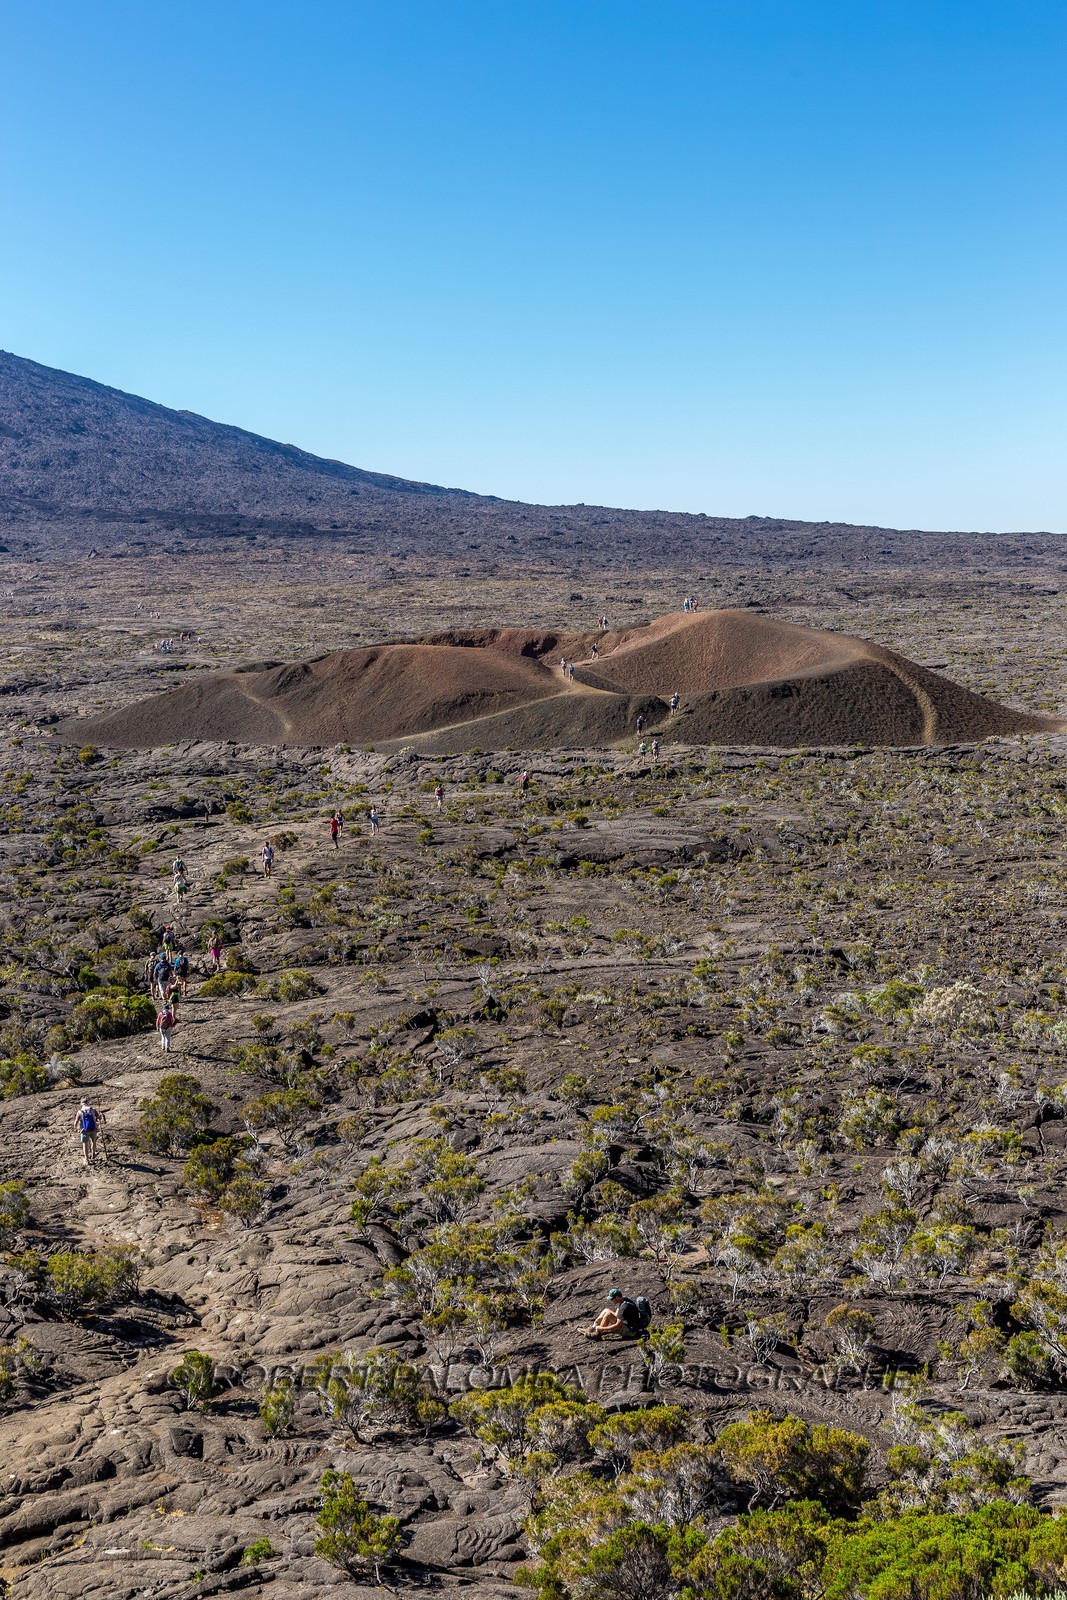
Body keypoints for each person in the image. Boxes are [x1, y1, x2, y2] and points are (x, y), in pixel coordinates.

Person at [582, 1287, 648, 1339]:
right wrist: (599, 1320)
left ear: (617, 1297)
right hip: (629, 1324)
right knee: (606, 1310)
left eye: (612, 1299)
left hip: (631, 1331)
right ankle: (593, 1328)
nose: (611, 1301)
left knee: (608, 1315)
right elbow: (617, 1314)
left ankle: (597, 1333)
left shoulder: (624, 1307)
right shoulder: (624, 1299)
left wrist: (602, 1328)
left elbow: (617, 1325)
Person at [74, 1100, 105, 1167]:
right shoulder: (93, 1110)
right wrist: (100, 1116)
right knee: (94, 1141)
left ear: (81, 1104)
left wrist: (75, 1128)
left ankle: (87, 1159)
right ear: (88, 1103)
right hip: (93, 1129)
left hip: (84, 1130)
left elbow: (76, 1121)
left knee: (85, 1144)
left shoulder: (79, 1112)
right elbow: (99, 1118)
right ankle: (93, 1154)